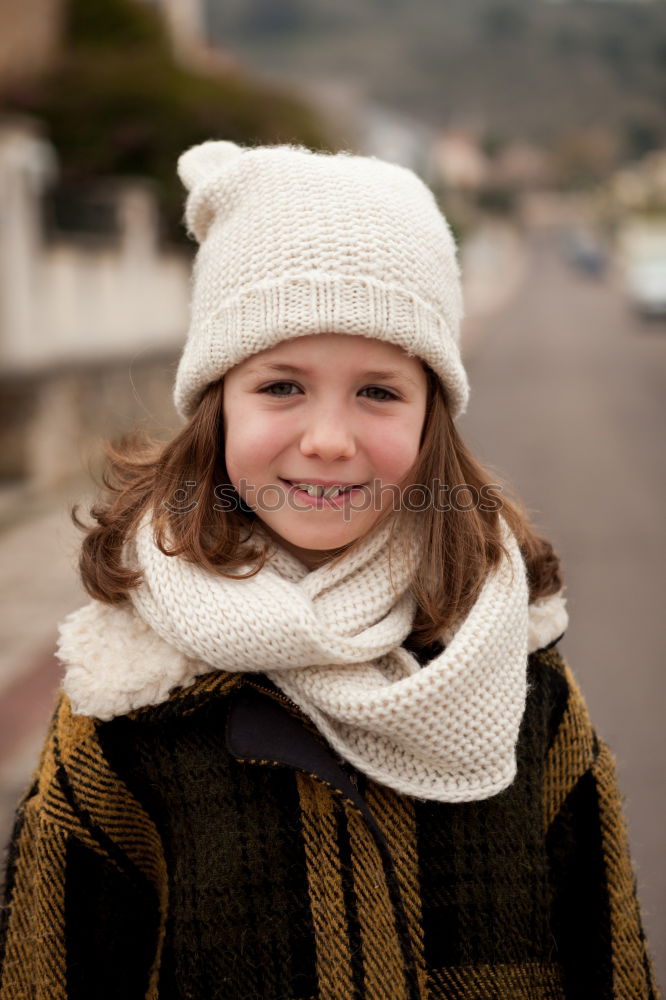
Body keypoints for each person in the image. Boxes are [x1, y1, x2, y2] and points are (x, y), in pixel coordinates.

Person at [0, 141, 659, 1000]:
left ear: (432, 420)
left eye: (379, 392)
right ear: (217, 405)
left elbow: (608, 954)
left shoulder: (518, 678)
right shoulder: (127, 710)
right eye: (281, 386)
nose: (329, 439)